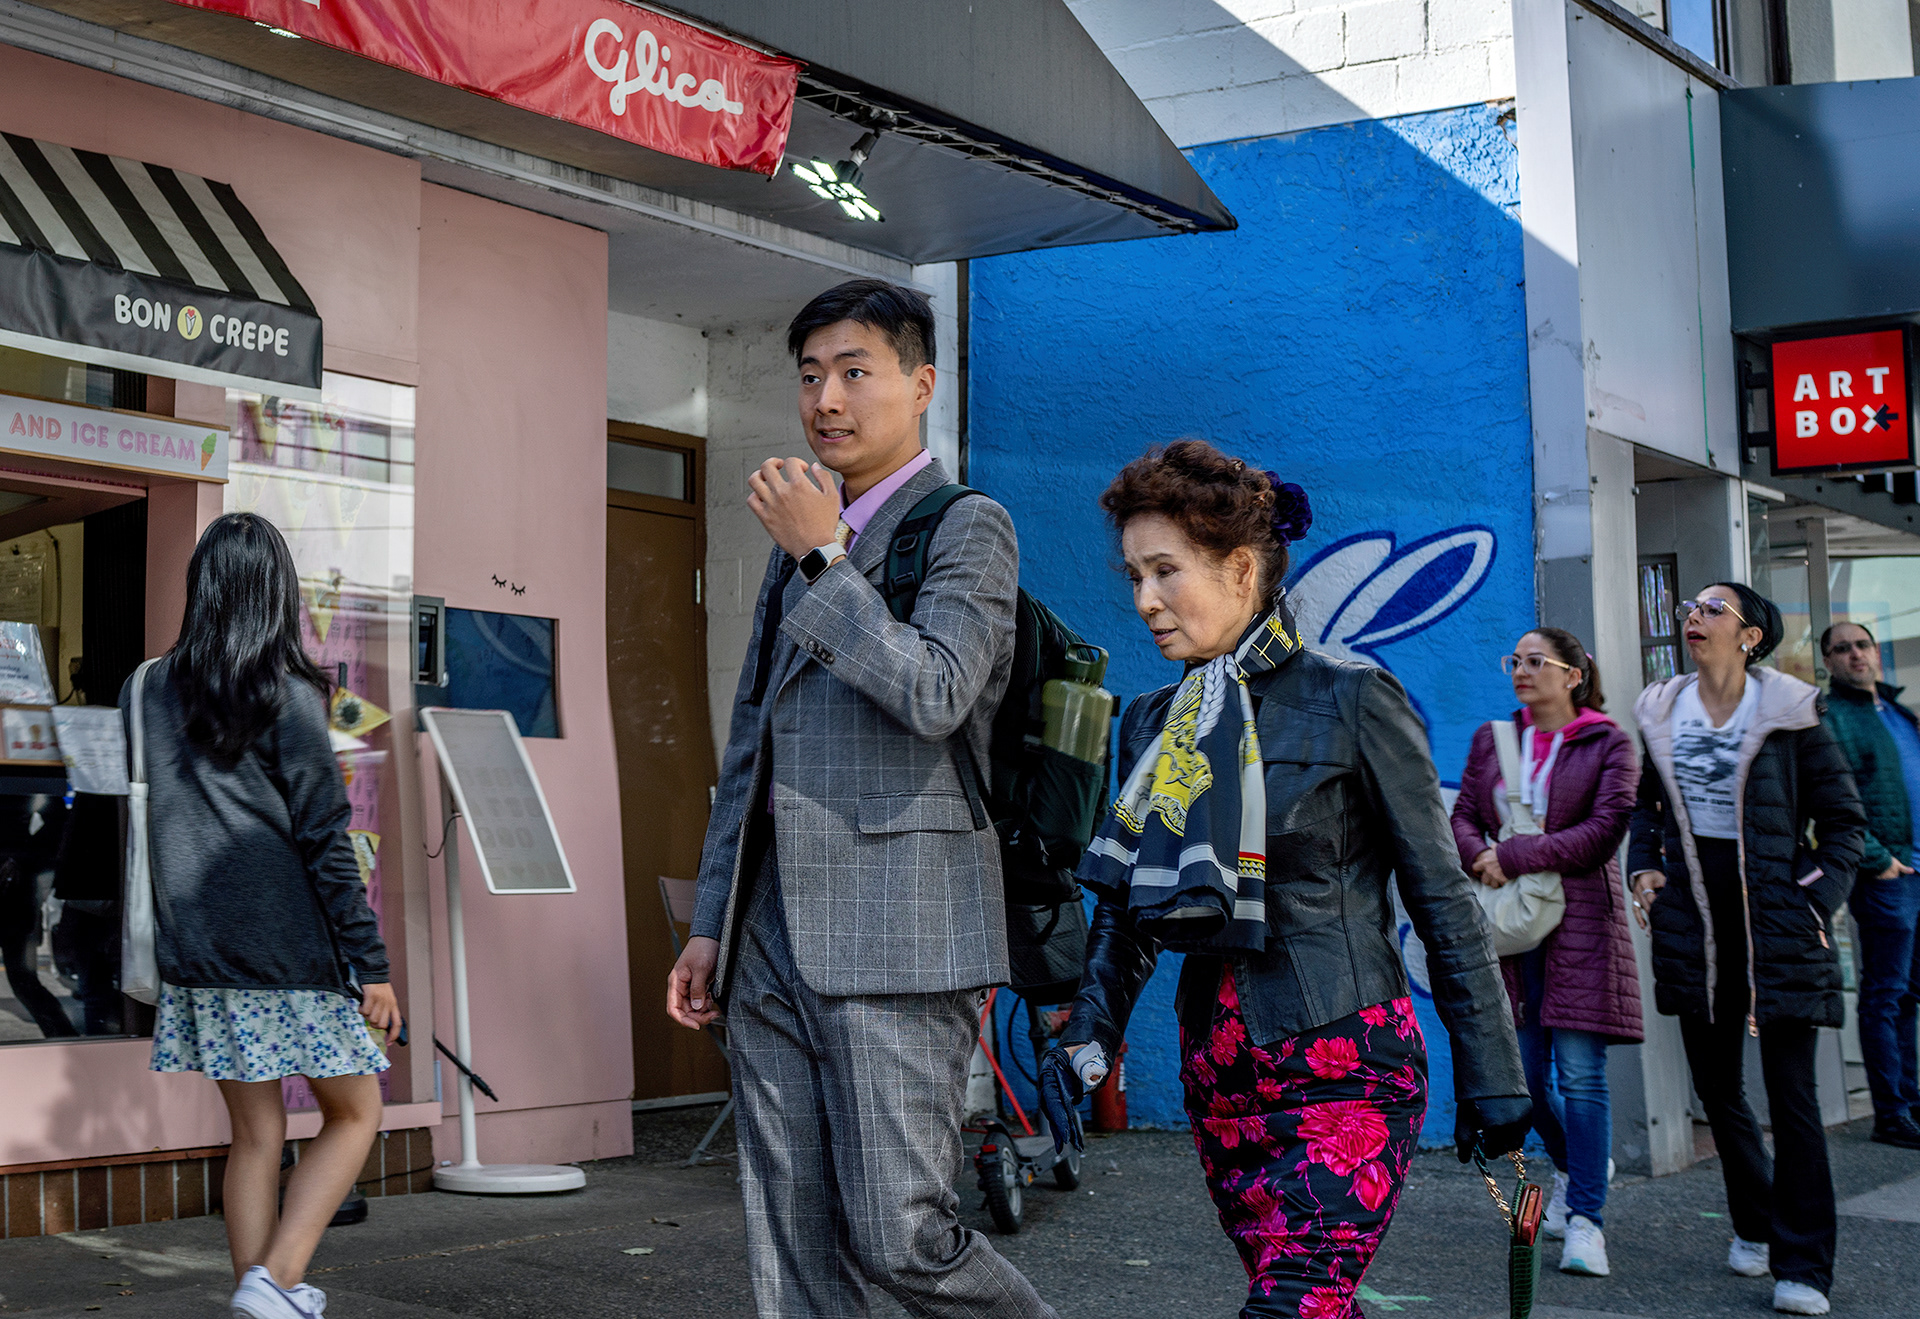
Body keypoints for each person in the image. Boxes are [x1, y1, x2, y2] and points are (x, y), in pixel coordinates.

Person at [1035, 440, 1530, 1319]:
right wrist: (1088, 1034)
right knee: (1308, 1299)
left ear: (1240, 567)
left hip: (1342, 1056)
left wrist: (1494, 1071)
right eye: (1133, 575)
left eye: (1165, 571)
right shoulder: (1155, 718)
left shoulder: (1354, 695)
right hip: (1220, 1076)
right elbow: (1129, 911)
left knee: (1292, 1303)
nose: (1144, 600)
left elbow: (1442, 893)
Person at [666, 279, 1053, 1319]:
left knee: (900, 1236)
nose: (826, 398)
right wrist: (712, 923)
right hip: (771, 935)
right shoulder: (799, 549)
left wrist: (828, 556)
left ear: (921, 385)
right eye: (809, 375)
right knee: (791, 1241)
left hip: (904, 931)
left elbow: (934, 689)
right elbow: (750, 746)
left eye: (853, 372)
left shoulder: (968, 527)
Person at [132, 513, 399, 1319]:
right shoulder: (288, 695)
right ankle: (275, 1279)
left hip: (197, 951)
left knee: (254, 1134)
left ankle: (261, 1296)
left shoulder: (148, 685)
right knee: (356, 1112)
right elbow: (325, 839)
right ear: (276, 593)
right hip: (284, 951)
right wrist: (372, 965)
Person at [1629, 583, 1865, 1316]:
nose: (1694, 616)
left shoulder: (1790, 712)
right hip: (1694, 919)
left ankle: (1804, 1266)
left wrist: (1810, 899)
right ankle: (1756, 1223)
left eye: (1713, 608)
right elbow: (1647, 803)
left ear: (1752, 635)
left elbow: (1845, 824)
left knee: (1792, 1096)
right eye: (1691, 608)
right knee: (1719, 1087)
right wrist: (1645, 865)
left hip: (1776, 917)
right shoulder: (1662, 708)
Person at [1450, 627, 1641, 1278]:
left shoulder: (1607, 742)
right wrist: (1477, 854)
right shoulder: (1494, 740)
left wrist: (1512, 853)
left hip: (1582, 923)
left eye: (1537, 661)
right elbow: (1463, 815)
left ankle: (1587, 1217)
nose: (1521, 671)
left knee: (1581, 1073)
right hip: (1510, 925)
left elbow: (1602, 831)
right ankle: (1574, 1166)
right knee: (1526, 1076)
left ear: (1573, 674)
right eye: (1515, 660)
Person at [1817, 620, 1920, 1149]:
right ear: (1829, 662)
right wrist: (1877, 860)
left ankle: (1912, 1100)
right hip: (1888, 874)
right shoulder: (1834, 717)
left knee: (1910, 994)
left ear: (1876, 652)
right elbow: (1839, 802)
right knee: (1885, 993)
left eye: (1862, 645)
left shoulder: (1896, 710)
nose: (1856, 655)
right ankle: (1892, 1113)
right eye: (1843, 649)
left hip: (1916, 871)